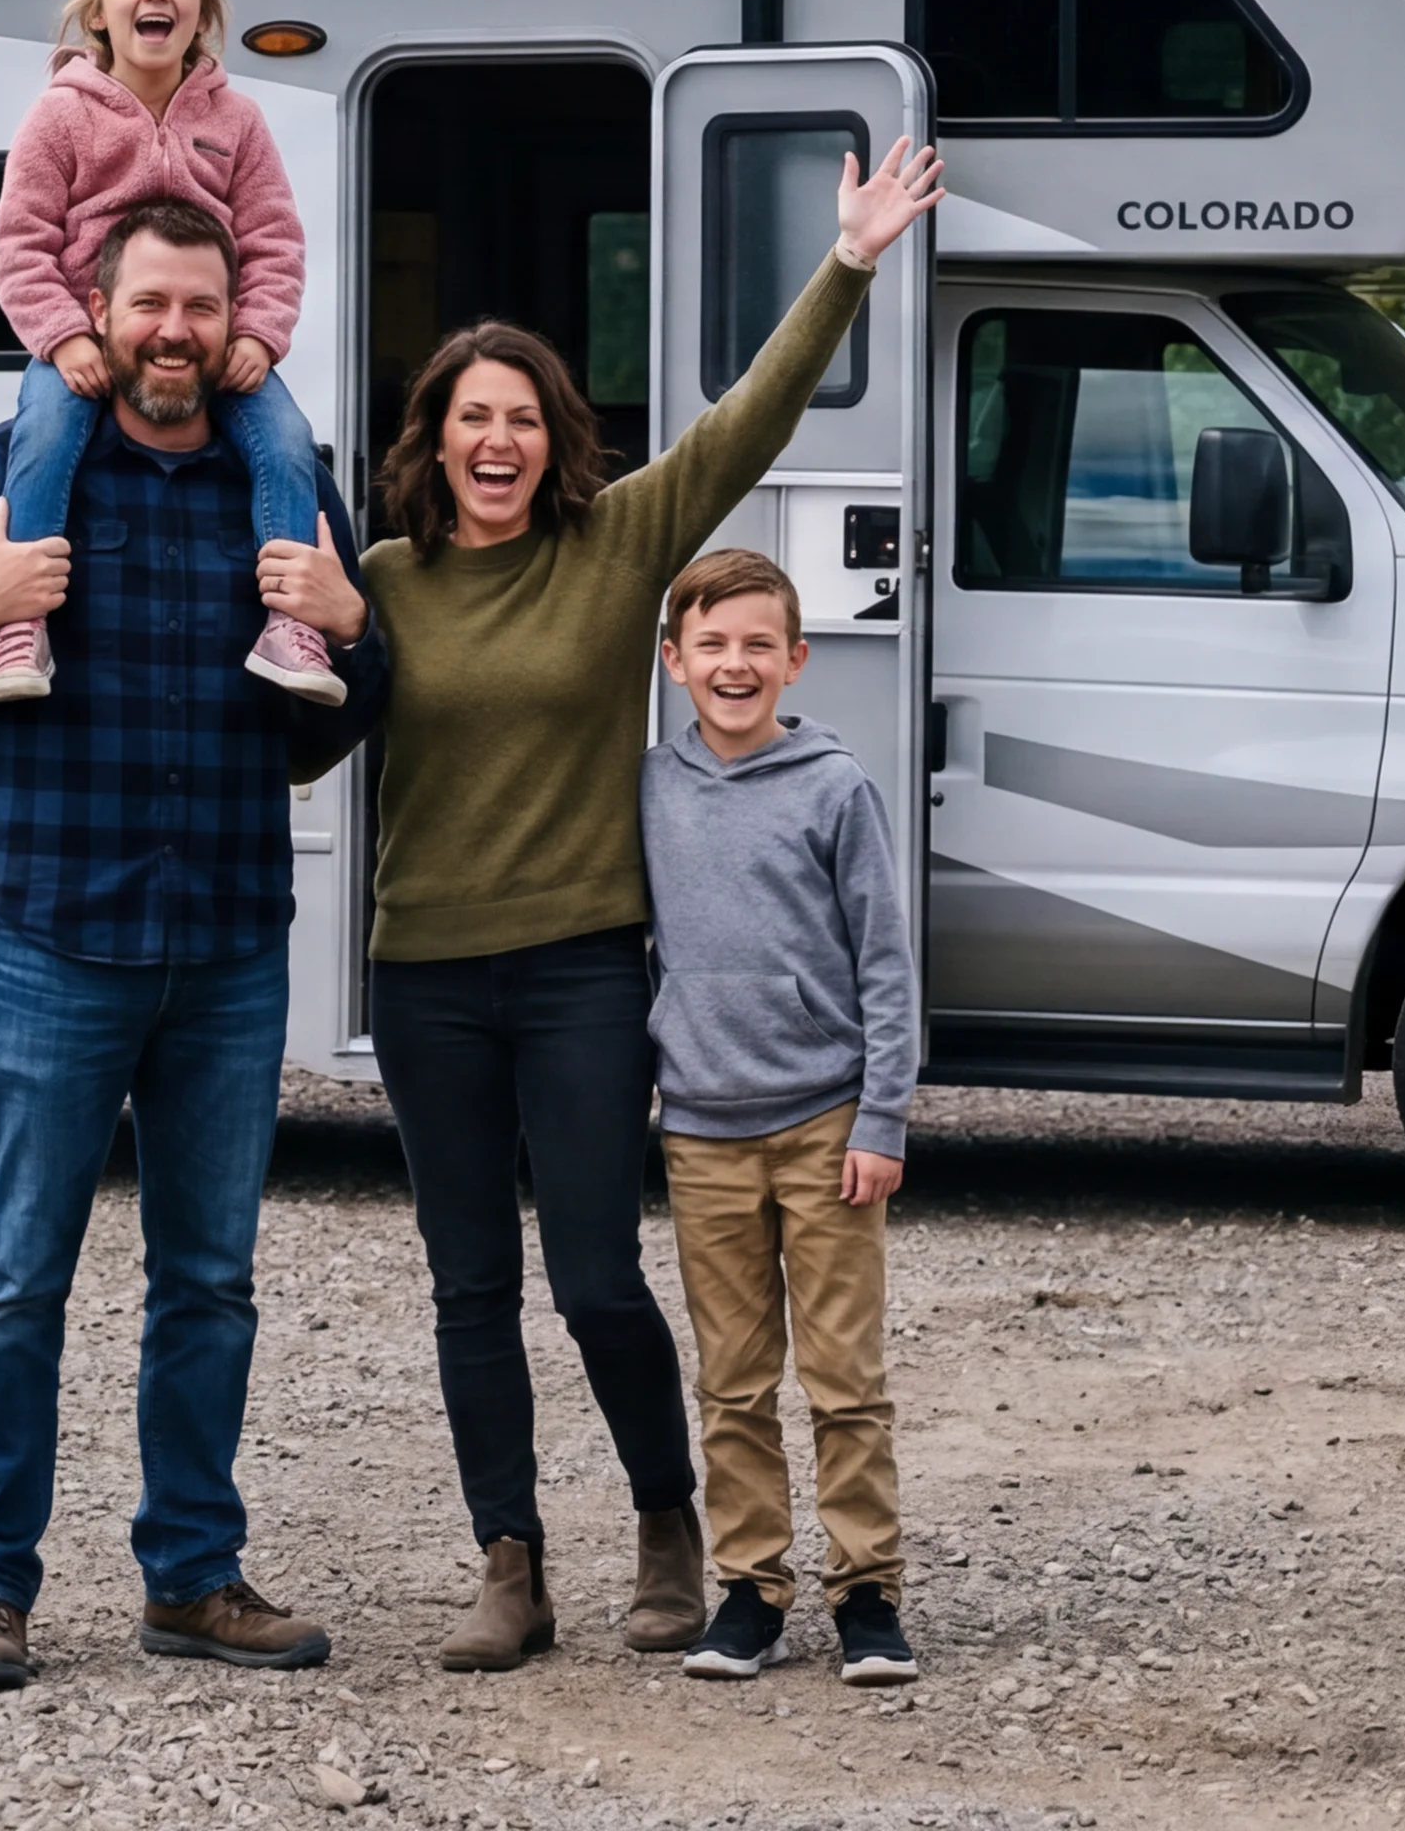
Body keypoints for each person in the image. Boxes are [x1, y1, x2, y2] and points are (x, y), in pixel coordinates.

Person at [352, 135, 944, 1672]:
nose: (500, 441)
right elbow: (304, 723)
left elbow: (749, 426)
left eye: (525, 418)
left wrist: (851, 262)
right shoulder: (386, 579)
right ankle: (509, 1561)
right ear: (438, 435)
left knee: (599, 1276)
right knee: (470, 1282)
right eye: (474, 418)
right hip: (425, 975)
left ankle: (675, 1524)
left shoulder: (615, 553)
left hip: (579, 973)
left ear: (559, 437)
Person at [0, 194, 389, 1695]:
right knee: (19, 1272)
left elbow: (344, 719)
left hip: (227, 942)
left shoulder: (282, 487)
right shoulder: (13, 472)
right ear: (96, 314)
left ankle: (192, 1577)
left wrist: (352, 627)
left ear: (237, 326)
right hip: (52, 936)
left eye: (200, 308)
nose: (175, 332)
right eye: (149, 304)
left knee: (209, 1280)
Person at [641, 548, 921, 1688]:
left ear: (795, 659)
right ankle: (750, 1591)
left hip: (824, 1123)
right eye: (710, 644)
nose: (734, 663)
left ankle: (867, 1595)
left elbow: (886, 966)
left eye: (758, 644)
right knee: (731, 1381)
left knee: (844, 1378)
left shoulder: (835, 789)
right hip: (700, 1130)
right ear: (672, 662)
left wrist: (881, 1121)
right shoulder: (650, 789)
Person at [0, 0, 334, 707]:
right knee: (41, 436)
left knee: (286, 440)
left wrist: (261, 334)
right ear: (97, 10)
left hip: (210, 346)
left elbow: (276, 237)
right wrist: (62, 335)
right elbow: (19, 241)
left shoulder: (236, 120)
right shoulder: (62, 115)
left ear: (203, 12)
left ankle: (291, 623)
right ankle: (20, 624)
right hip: (84, 339)